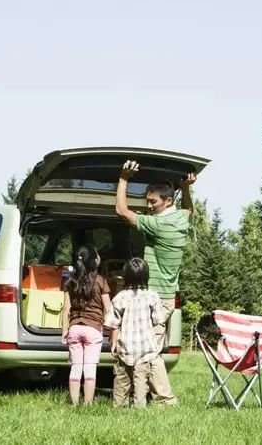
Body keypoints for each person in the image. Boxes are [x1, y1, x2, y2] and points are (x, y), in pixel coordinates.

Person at [114, 160, 197, 405]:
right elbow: (189, 210)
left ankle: (165, 397)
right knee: (152, 348)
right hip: (167, 296)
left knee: (151, 351)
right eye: (148, 202)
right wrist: (187, 189)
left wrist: (123, 179)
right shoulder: (181, 219)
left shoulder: (158, 224)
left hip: (157, 298)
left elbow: (121, 211)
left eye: (154, 202)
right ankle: (160, 397)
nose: (149, 206)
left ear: (168, 201)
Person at [104, 257, 164, 408]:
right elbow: (158, 319)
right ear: (146, 275)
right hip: (145, 348)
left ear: (126, 276)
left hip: (125, 347)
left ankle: (119, 405)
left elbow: (113, 324)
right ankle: (139, 407)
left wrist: (113, 343)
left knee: (121, 380)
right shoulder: (153, 296)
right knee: (140, 381)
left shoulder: (120, 297)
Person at [61, 244, 112, 405]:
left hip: (74, 328)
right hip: (93, 330)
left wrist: (64, 330)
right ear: (95, 261)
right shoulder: (100, 281)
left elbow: (66, 309)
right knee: (90, 369)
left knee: (75, 368)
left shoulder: (70, 281)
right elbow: (108, 309)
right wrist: (111, 331)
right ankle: (88, 403)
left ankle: (75, 403)